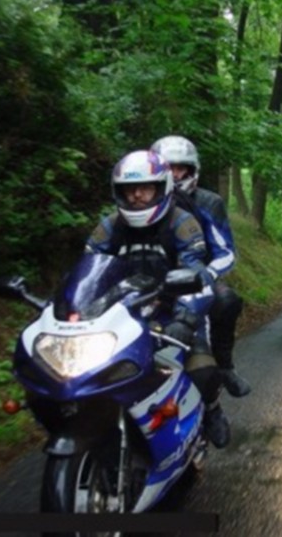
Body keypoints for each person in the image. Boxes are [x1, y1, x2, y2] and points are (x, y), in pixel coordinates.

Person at [84, 149, 230, 448]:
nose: (137, 196)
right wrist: (72, 310)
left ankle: (213, 409)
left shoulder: (182, 223)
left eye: (145, 188)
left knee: (202, 370)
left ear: (162, 188)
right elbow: (87, 272)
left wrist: (185, 318)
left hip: (174, 310)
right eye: (129, 189)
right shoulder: (109, 226)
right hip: (120, 314)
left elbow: (198, 275)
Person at [151, 135, 251, 398]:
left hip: (197, 275)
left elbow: (226, 251)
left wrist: (206, 274)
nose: (175, 174)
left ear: (192, 170)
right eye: (168, 168)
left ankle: (225, 367)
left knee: (227, 300)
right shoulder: (141, 200)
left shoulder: (209, 202)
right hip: (150, 278)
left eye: (180, 168)